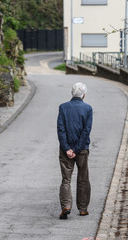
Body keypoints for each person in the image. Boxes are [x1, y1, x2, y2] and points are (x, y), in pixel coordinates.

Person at [57, 82, 93, 220]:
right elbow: (86, 131)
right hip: (82, 149)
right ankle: (83, 209)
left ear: (72, 93)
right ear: (84, 95)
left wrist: (67, 148)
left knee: (66, 179)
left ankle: (66, 206)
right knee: (83, 178)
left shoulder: (63, 107)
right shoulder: (88, 109)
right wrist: (77, 149)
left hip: (66, 150)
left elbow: (61, 130)